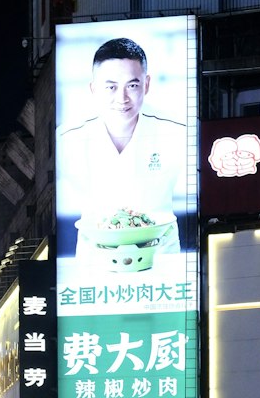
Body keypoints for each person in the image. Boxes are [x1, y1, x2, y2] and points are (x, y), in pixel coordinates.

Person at [58, 35, 187, 258]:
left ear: (146, 85)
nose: (122, 98)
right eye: (111, 87)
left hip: (161, 257)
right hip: (95, 261)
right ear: (94, 88)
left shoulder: (176, 133)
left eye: (132, 85)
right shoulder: (67, 139)